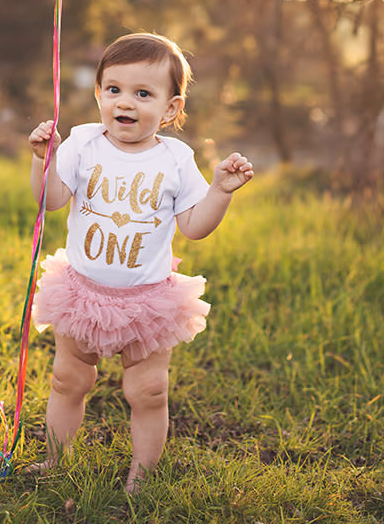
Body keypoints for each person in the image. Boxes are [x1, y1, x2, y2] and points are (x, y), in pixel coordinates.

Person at [28, 31, 253, 494]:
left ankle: (141, 477)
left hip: (147, 302)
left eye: (143, 94)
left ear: (170, 109)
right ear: (98, 93)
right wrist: (41, 161)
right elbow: (50, 200)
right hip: (82, 293)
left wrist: (218, 193)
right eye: (114, 90)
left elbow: (193, 226)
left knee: (148, 391)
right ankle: (55, 460)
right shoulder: (83, 143)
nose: (124, 102)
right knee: (68, 378)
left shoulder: (175, 158)